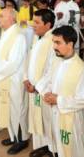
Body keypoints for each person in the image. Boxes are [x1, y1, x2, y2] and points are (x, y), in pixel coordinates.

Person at [43, 26, 84, 157]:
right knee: (59, 149)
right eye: (53, 42)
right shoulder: (57, 61)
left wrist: (57, 100)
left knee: (72, 151)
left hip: (72, 119)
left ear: (70, 44)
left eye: (58, 42)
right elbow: (50, 80)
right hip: (56, 114)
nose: (54, 46)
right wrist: (47, 92)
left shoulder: (82, 69)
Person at [0, 8, 29, 154]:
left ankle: (22, 139)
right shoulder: (6, 33)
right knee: (8, 108)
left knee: (17, 109)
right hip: (4, 77)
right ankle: (13, 136)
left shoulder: (18, 36)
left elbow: (13, 63)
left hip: (13, 79)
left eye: (1, 16)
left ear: (11, 19)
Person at [24, 9, 57, 156]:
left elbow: (52, 69)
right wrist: (26, 78)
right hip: (33, 87)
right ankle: (42, 145)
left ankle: (52, 148)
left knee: (48, 119)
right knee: (38, 118)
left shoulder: (53, 41)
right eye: (33, 21)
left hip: (44, 89)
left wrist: (37, 86)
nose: (33, 25)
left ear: (48, 24)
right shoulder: (37, 37)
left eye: (37, 22)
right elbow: (29, 59)